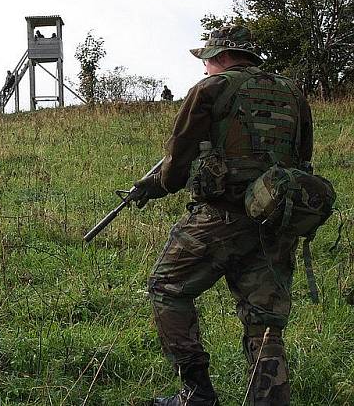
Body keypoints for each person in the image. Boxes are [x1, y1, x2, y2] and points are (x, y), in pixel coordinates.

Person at [130, 26, 313, 405]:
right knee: (265, 321)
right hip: (277, 218)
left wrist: (155, 186)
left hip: (221, 217)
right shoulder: (293, 91)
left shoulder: (210, 90)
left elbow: (177, 160)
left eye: (208, 60)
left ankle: (196, 394)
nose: (205, 69)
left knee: (167, 288)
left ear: (224, 56)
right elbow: (303, 156)